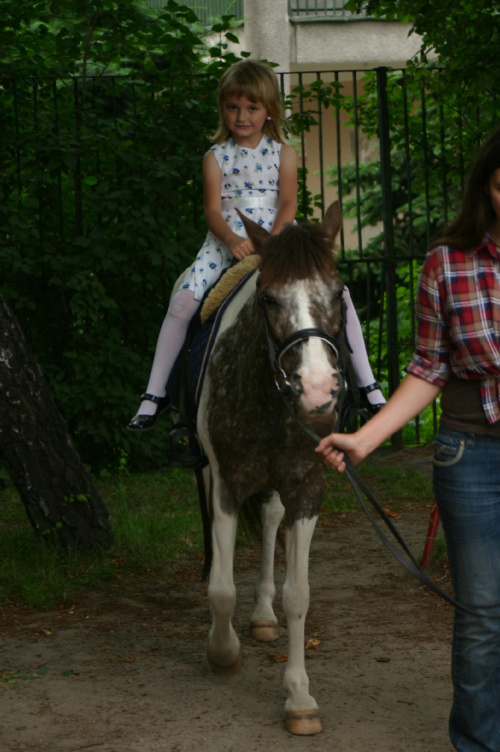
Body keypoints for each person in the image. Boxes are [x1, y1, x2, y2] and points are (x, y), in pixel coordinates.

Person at [316, 125, 500, 752]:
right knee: (481, 615)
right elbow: (429, 368)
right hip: (471, 454)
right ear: (489, 189)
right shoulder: (447, 263)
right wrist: (364, 438)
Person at [128, 60, 385, 431]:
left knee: (339, 296)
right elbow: (213, 211)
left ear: (269, 111)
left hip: (279, 238)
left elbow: (289, 203)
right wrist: (233, 240)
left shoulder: (283, 152)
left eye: (252, 107)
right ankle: (155, 395)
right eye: (233, 107)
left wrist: (274, 242)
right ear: (223, 109)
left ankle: (368, 385)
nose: (242, 116)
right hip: (227, 241)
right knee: (183, 301)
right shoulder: (214, 157)